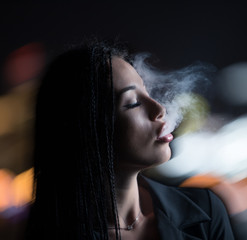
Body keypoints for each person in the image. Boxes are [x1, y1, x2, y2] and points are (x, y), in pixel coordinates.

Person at [25, 38, 235, 240]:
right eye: (133, 102)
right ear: (88, 128)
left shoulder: (205, 211)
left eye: (147, 92)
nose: (159, 109)